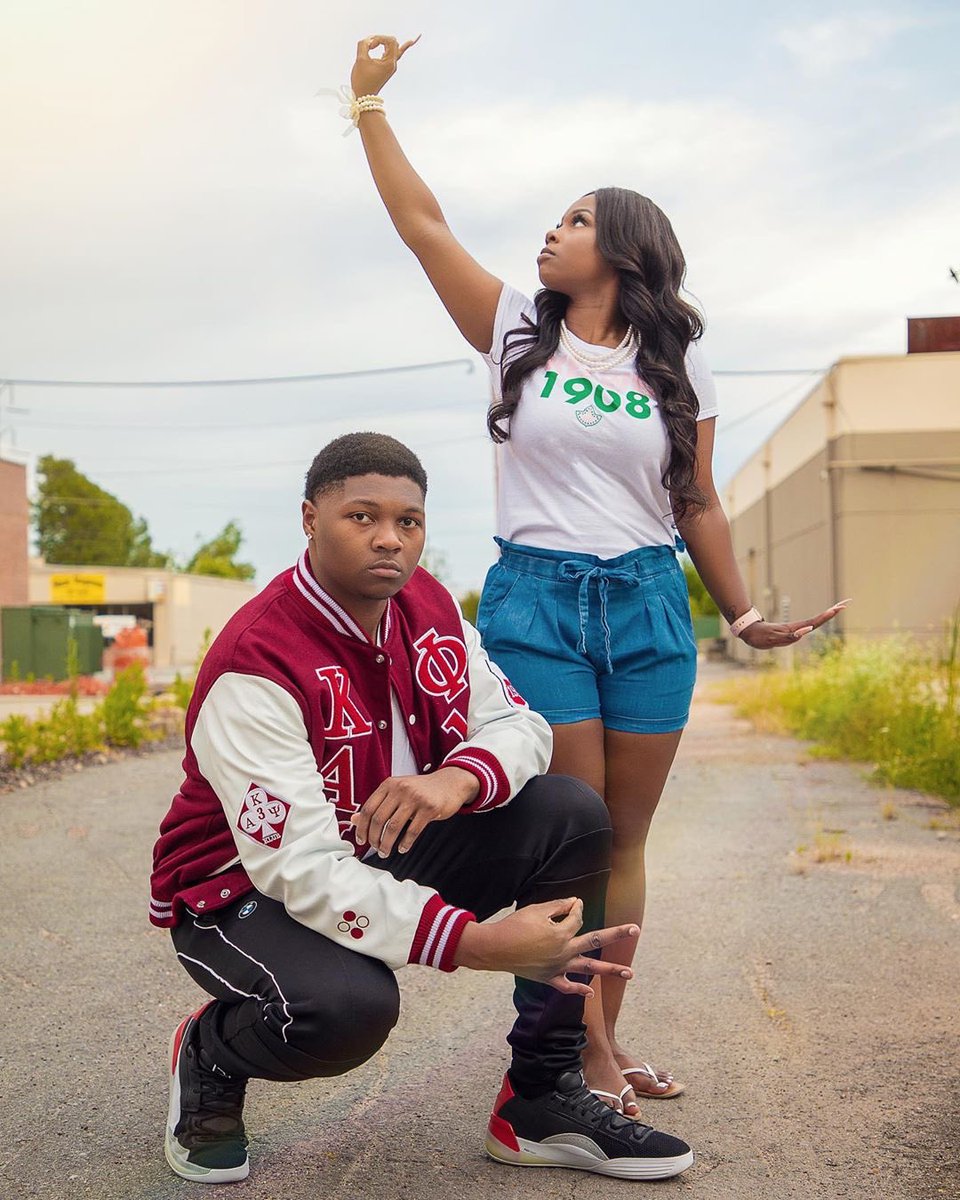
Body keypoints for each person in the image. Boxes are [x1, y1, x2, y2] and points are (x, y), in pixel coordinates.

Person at [344, 35, 849, 1118]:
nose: (552, 230)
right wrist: (367, 106)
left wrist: (745, 611)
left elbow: (696, 499)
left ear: (620, 248)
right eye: (555, 217)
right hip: (539, 602)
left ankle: (601, 1038)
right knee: (571, 826)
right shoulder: (515, 330)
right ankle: (583, 1057)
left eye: (575, 219)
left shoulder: (676, 362)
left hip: (649, 605)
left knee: (627, 842)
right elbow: (422, 226)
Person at [149, 431, 695, 1184]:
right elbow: (300, 869)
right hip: (237, 890)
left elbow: (520, 725)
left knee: (570, 811)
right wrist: (474, 942)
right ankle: (212, 1052)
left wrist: (458, 779)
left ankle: (540, 1100)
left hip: (376, 848)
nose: (389, 539)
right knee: (346, 1011)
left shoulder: (429, 607)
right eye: (361, 517)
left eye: (409, 521)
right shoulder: (258, 662)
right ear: (310, 518)